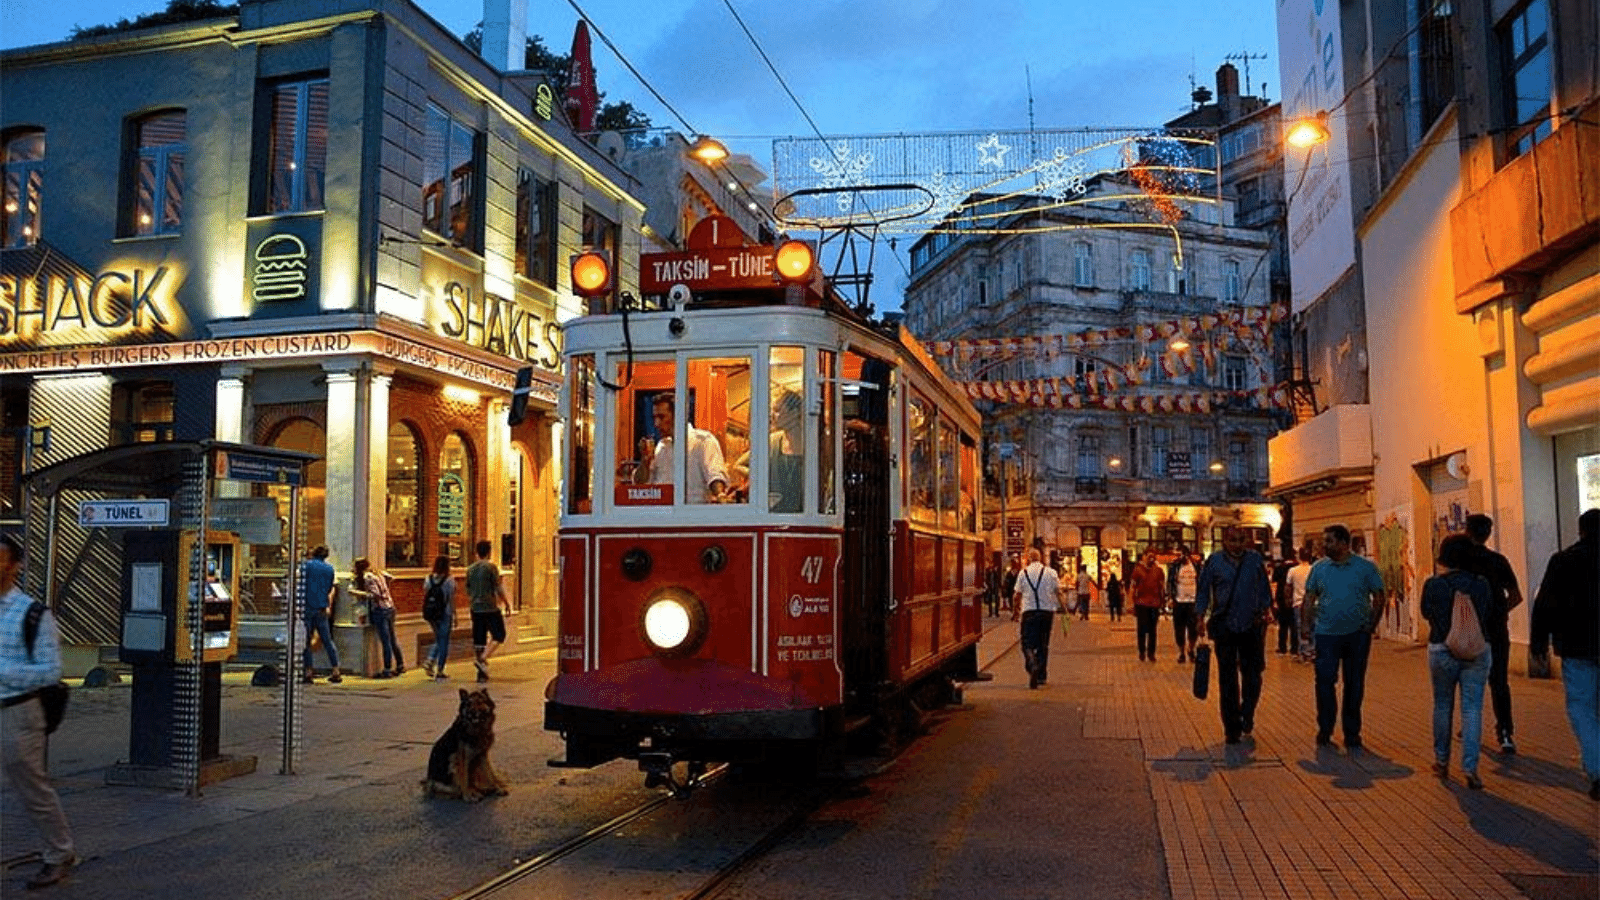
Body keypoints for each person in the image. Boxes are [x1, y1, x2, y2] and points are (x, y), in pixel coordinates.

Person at [0, 533, 77, 889]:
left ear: (15, 566)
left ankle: (58, 853)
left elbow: (51, 672)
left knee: (32, 788)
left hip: (18, 712)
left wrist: (3, 672)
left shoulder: (33, 614)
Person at [1529, 507, 1599, 801]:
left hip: (1577, 647)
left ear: (1580, 530)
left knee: (1582, 709)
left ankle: (1597, 771)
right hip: (1579, 646)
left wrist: (1538, 644)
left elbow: (1544, 603)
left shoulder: (1563, 561)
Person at [1303, 524, 1387, 750]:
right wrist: (1305, 626)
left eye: (1328, 541)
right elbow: (1310, 597)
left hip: (1357, 635)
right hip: (1326, 634)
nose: (1323, 545)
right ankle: (1325, 727)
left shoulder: (1365, 568)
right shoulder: (1319, 568)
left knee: (1354, 683)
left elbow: (1379, 595)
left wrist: (1371, 624)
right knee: (1324, 682)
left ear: (1342, 543)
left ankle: (1352, 732)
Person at [1420, 534, 1493, 790]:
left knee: (1442, 705)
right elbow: (1489, 612)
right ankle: (1470, 767)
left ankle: (1441, 761)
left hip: (1441, 648)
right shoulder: (1482, 584)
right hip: (1477, 649)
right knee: (1472, 708)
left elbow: (1426, 613)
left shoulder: (1433, 584)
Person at [1196, 527, 1275, 744]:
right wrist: (1200, 617)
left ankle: (1247, 711)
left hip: (1252, 624)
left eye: (1241, 540)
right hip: (1225, 625)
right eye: (1233, 540)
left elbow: (1264, 587)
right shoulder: (1214, 562)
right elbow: (1203, 590)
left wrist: (1267, 609)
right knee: (1227, 678)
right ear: (1224, 541)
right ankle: (1231, 727)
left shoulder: (1254, 560)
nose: (1237, 545)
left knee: (1253, 675)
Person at [1461, 513, 1524, 754]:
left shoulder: (1460, 561)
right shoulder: (1499, 561)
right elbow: (1516, 596)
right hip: (1497, 630)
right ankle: (1505, 732)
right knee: (1499, 682)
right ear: (1488, 533)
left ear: (1467, 532)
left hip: (1467, 631)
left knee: (1468, 681)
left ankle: (1470, 726)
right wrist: (1499, 612)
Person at [638, 393, 729, 503]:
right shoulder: (661, 447)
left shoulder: (703, 441)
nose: (656, 424)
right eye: (654, 418)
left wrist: (720, 495)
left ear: (678, 416)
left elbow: (715, 475)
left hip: (692, 514)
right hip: (663, 515)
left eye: (661, 417)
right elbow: (641, 484)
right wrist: (644, 461)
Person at [1011, 548, 1064, 688]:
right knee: (1043, 644)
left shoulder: (1023, 573)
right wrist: (1064, 609)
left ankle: (1032, 663)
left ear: (1028, 559)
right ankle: (1041, 675)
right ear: (1041, 559)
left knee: (1026, 643)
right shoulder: (1051, 573)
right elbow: (1059, 592)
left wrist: (1015, 611)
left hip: (1029, 612)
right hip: (1047, 612)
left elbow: (1017, 595)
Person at [465, 540, 510, 683]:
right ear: (489, 552)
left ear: (477, 552)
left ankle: (481, 672)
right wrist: (506, 602)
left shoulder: (470, 569)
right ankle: (483, 658)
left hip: (475, 608)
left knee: (479, 639)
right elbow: (498, 587)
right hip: (490, 607)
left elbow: (468, 589)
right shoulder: (491, 568)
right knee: (499, 634)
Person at [354, 558, 403, 678]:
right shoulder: (379, 573)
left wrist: (359, 593)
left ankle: (387, 669)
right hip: (390, 606)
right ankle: (400, 665)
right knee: (392, 638)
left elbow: (375, 594)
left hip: (380, 609)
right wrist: (386, 588)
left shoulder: (368, 577)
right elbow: (392, 578)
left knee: (385, 640)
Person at [300, 545, 341, 684]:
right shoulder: (329, 569)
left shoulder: (307, 566)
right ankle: (336, 670)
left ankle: (308, 672)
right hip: (322, 607)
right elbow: (330, 588)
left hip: (307, 607)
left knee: (306, 641)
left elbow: (299, 582)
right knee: (327, 640)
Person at [421, 555, 456, 680]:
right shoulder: (449, 580)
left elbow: (425, 594)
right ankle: (439, 669)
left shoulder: (428, 579)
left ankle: (430, 661)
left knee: (438, 638)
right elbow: (450, 599)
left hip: (431, 614)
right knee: (444, 641)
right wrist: (454, 614)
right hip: (445, 613)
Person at [1167, 546, 1202, 663]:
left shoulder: (1196, 566)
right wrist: (1171, 597)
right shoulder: (1175, 567)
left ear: (1187, 554)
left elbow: (1201, 583)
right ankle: (1181, 652)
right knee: (1179, 629)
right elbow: (1170, 582)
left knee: (1193, 629)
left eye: (1180, 554)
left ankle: (1191, 649)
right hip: (1179, 602)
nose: (1178, 557)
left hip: (1193, 602)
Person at [1129, 551, 1166, 662]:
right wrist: (1131, 603)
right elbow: (1132, 587)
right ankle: (1142, 652)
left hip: (1154, 604)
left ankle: (1151, 653)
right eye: (1149, 556)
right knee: (1141, 629)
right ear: (1144, 557)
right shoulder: (1138, 570)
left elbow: (1162, 587)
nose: (1151, 558)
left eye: (1153, 556)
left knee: (1152, 630)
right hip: (1141, 604)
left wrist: (1163, 601)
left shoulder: (1159, 571)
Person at [1286, 547, 1316, 662]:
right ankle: (1314, 650)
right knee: (1313, 627)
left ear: (1299, 556)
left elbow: (1288, 587)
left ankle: (1304, 652)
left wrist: (1288, 600)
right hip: (1314, 603)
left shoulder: (1293, 571)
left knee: (1301, 628)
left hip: (1298, 603)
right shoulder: (1314, 569)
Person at [1272, 551, 1299, 655]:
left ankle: (1282, 647)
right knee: (1294, 625)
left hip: (1281, 599)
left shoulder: (1279, 568)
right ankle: (1294, 648)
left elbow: (1274, 583)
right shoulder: (1296, 567)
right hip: (1294, 598)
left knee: (1283, 625)